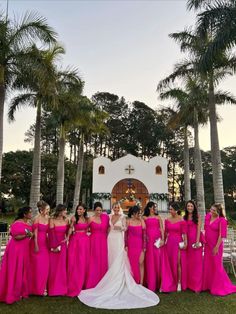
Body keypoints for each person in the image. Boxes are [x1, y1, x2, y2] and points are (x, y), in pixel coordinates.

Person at [78, 202, 159, 309]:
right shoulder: (108, 217)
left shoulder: (123, 217)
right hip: (110, 240)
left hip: (119, 240)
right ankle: (109, 279)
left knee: (119, 259)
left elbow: (126, 230)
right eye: (114, 207)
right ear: (112, 208)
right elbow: (105, 228)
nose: (116, 209)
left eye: (117, 207)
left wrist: (120, 229)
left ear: (119, 208)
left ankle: (122, 280)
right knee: (110, 259)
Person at [0, 207, 33, 304]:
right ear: (24, 214)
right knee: (14, 269)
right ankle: (11, 292)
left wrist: (30, 235)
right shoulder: (17, 223)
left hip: (24, 249)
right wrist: (27, 235)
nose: (31, 214)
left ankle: (20, 291)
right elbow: (16, 237)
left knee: (22, 270)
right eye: (30, 212)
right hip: (16, 249)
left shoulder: (28, 222)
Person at [202, 203, 236, 295]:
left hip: (216, 246)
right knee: (208, 264)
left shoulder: (222, 220)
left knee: (216, 266)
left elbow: (222, 235)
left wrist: (216, 247)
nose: (211, 211)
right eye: (211, 209)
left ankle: (217, 286)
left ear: (219, 212)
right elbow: (205, 229)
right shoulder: (208, 216)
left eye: (214, 210)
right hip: (208, 245)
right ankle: (207, 285)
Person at [143, 201, 174, 292]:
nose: (154, 208)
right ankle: (151, 283)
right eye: (153, 207)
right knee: (150, 261)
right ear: (149, 208)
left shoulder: (158, 217)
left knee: (159, 260)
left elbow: (161, 229)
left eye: (155, 207)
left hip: (158, 242)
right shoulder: (144, 217)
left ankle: (161, 283)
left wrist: (163, 240)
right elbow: (143, 230)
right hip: (149, 243)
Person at [67, 203, 90, 297]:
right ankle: (73, 283)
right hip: (75, 240)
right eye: (78, 209)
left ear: (84, 210)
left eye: (81, 209)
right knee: (74, 261)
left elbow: (89, 229)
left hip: (85, 241)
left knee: (83, 261)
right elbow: (70, 228)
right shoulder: (74, 218)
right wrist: (68, 237)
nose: (79, 211)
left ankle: (83, 282)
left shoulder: (87, 219)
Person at [85, 201, 109, 288]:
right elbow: (84, 229)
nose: (99, 212)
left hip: (103, 241)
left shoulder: (106, 217)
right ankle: (93, 282)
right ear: (94, 210)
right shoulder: (90, 219)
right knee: (94, 260)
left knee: (103, 260)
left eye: (100, 210)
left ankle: (103, 282)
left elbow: (110, 227)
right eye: (97, 210)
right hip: (94, 241)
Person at [165, 202, 187, 292]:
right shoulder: (167, 220)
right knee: (169, 262)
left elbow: (184, 233)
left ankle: (179, 282)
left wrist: (185, 243)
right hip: (169, 242)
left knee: (177, 263)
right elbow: (165, 232)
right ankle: (170, 281)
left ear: (176, 210)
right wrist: (163, 241)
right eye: (169, 209)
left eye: (171, 209)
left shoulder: (181, 220)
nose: (170, 211)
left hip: (177, 242)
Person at [48, 204, 69, 296]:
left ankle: (62, 289)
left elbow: (70, 231)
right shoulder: (52, 220)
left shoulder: (66, 220)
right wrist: (54, 246)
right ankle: (52, 290)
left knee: (62, 267)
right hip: (54, 246)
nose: (66, 212)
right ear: (60, 211)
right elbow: (51, 234)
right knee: (53, 267)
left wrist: (67, 238)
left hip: (63, 246)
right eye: (65, 210)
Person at [29, 201, 50, 296]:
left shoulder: (48, 218)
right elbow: (35, 234)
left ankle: (42, 288)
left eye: (49, 209)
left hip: (45, 243)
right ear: (41, 210)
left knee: (44, 266)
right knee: (36, 267)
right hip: (36, 243)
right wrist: (36, 245)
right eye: (47, 209)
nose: (48, 211)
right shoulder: (36, 219)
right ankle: (34, 289)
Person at [183, 200, 203, 293]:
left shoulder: (198, 217)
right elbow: (184, 231)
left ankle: (197, 286)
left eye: (191, 206)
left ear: (194, 207)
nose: (189, 208)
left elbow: (199, 230)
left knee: (197, 263)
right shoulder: (185, 217)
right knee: (189, 263)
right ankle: (189, 284)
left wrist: (197, 242)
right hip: (188, 241)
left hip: (196, 241)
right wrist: (185, 242)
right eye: (188, 206)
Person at [125, 205, 146, 285]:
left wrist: (144, 247)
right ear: (133, 213)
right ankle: (132, 282)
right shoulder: (128, 221)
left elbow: (144, 235)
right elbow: (126, 234)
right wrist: (126, 245)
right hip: (131, 245)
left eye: (140, 213)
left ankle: (141, 283)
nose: (139, 215)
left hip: (140, 244)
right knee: (131, 263)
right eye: (138, 213)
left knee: (141, 263)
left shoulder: (141, 221)